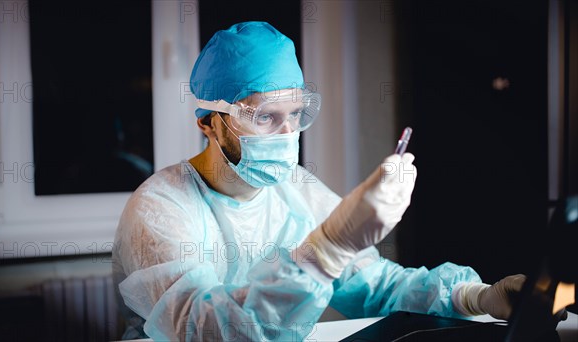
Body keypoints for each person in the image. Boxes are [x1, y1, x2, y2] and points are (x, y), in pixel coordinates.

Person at [111, 21, 560, 341]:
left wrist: (475, 297)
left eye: (295, 116)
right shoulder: (160, 208)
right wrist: (324, 249)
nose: (288, 136)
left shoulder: (296, 190)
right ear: (209, 123)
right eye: (265, 117)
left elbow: (376, 285)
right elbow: (207, 332)